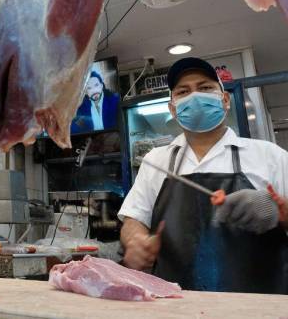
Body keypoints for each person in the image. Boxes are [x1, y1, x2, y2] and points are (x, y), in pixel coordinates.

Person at [118, 57, 288, 293]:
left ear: (225, 100)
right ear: (173, 109)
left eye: (205, 87)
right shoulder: (156, 161)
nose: (195, 97)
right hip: (175, 305)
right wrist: (135, 240)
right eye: (183, 91)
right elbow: (133, 219)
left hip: (258, 307)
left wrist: (278, 212)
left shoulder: (269, 156)